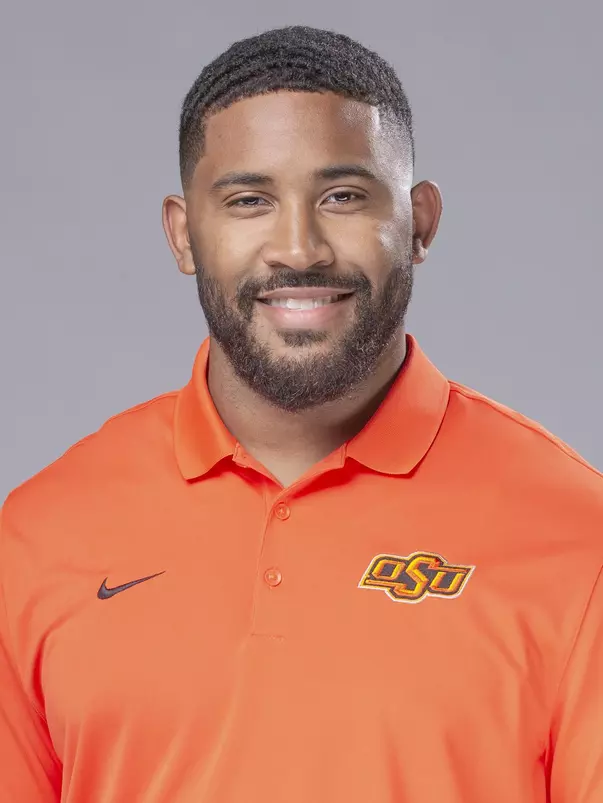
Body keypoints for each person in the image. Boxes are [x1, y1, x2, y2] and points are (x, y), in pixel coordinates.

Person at [1, 23, 602, 803]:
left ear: (419, 221)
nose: (298, 247)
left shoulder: (575, 535)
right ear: (185, 235)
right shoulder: (38, 534)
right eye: (249, 199)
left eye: (342, 196)